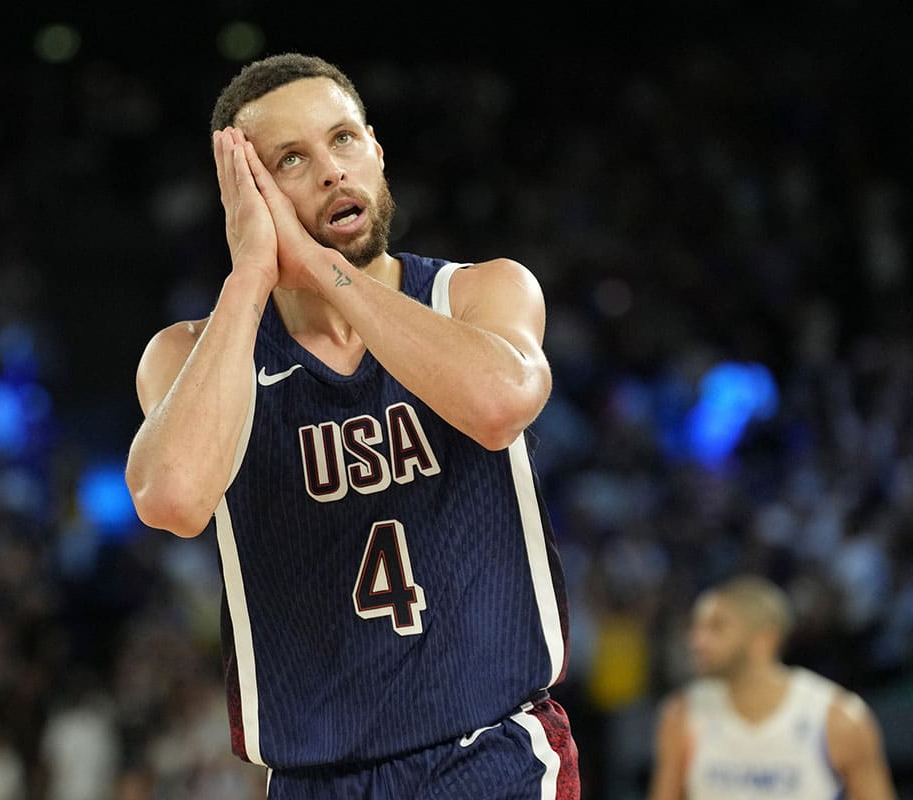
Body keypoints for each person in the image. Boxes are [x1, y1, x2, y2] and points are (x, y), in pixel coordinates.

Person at [124, 52, 580, 799]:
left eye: (343, 140)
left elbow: (499, 407)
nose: (333, 171)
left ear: (376, 149)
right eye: (292, 160)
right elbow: (172, 499)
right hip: (314, 778)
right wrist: (251, 278)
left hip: (490, 753)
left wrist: (324, 271)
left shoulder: (477, 293)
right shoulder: (190, 352)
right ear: (247, 196)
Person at [646, 574, 897, 800]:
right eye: (697, 627)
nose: (697, 641)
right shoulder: (681, 715)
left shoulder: (837, 718)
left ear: (764, 640)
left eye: (717, 627)